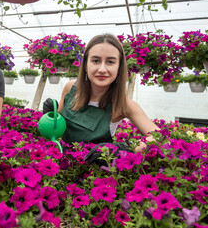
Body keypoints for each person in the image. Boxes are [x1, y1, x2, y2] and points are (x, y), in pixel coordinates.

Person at [43, 34, 160, 163]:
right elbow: (58, 121)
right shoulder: (71, 88)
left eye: (110, 62)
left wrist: (124, 149)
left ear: (119, 67)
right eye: (96, 61)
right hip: (61, 166)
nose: (102, 69)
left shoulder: (123, 104)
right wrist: (50, 115)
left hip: (95, 176)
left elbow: (161, 138)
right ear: (86, 64)